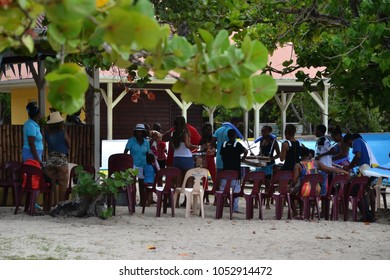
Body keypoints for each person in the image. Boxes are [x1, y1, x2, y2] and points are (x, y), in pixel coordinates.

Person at [291, 147, 349, 219]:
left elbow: (294, 180)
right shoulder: (316, 163)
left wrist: (292, 185)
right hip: (317, 190)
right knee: (300, 192)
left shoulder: (298, 165)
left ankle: (297, 214)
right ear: (309, 154)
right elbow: (329, 169)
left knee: (292, 196)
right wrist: (343, 171)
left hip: (304, 190)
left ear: (300, 155)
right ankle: (302, 213)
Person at [343, 133, 377, 221]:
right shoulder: (364, 142)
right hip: (372, 169)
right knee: (363, 192)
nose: (350, 147)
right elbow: (360, 159)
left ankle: (367, 216)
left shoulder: (357, 141)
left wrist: (349, 167)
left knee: (355, 191)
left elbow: (357, 156)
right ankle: (370, 215)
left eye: (348, 144)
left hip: (367, 170)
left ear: (350, 141)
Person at [168, 116, 199, 207]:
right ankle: (188, 203)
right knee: (189, 181)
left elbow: (172, 147)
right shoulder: (185, 133)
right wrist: (195, 146)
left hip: (176, 158)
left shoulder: (173, 133)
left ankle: (176, 203)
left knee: (178, 182)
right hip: (186, 158)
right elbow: (187, 145)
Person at [44, 111, 70, 205]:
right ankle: (60, 205)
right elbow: (69, 144)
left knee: (51, 184)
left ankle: (50, 204)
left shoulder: (47, 133)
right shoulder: (63, 132)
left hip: (50, 161)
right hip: (61, 161)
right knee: (63, 184)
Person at [220, 129, 248, 213]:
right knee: (236, 190)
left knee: (223, 189)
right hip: (235, 172)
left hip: (225, 171)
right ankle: (235, 208)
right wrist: (243, 158)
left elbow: (221, 157)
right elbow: (245, 151)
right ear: (235, 136)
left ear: (227, 136)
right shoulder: (237, 144)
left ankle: (220, 206)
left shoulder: (224, 144)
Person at [124, 124, 151, 206]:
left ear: (143, 133)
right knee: (132, 184)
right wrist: (126, 163)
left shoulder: (146, 142)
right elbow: (125, 152)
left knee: (142, 185)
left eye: (141, 132)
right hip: (133, 164)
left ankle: (142, 202)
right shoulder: (131, 141)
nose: (139, 133)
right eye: (137, 132)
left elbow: (148, 154)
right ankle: (132, 202)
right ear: (135, 132)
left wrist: (149, 166)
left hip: (143, 164)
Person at [256, 125, 281, 208]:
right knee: (258, 183)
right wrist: (258, 156)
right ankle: (256, 202)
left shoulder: (273, 141)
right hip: (261, 163)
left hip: (269, 164)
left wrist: (271, 158)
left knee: (267, 184)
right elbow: (260, 151)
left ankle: (267, 203)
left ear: (269, 132)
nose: (263, 133)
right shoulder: (261, 140)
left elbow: (278, 154)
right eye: (262, 131)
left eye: (264, 131)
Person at [199, 122, 216, 204]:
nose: (209, 132)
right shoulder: (201, 140)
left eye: (210, 130)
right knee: (204, 179)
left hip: (211, 159)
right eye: (208, 130)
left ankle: (216, 197)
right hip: (204, 160)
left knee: (215, 178)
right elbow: (199, 149)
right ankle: (206, 197)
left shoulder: (213, 139)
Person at [314, 124, 333, 197]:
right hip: (320, 166)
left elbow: (332, 150)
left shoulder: (324, 140)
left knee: (323, 185)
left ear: (320, 131)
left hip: (324, 166)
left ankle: (324, 197)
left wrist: (321, 155)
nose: (315, 132)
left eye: (316, 130)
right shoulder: (319, 140)